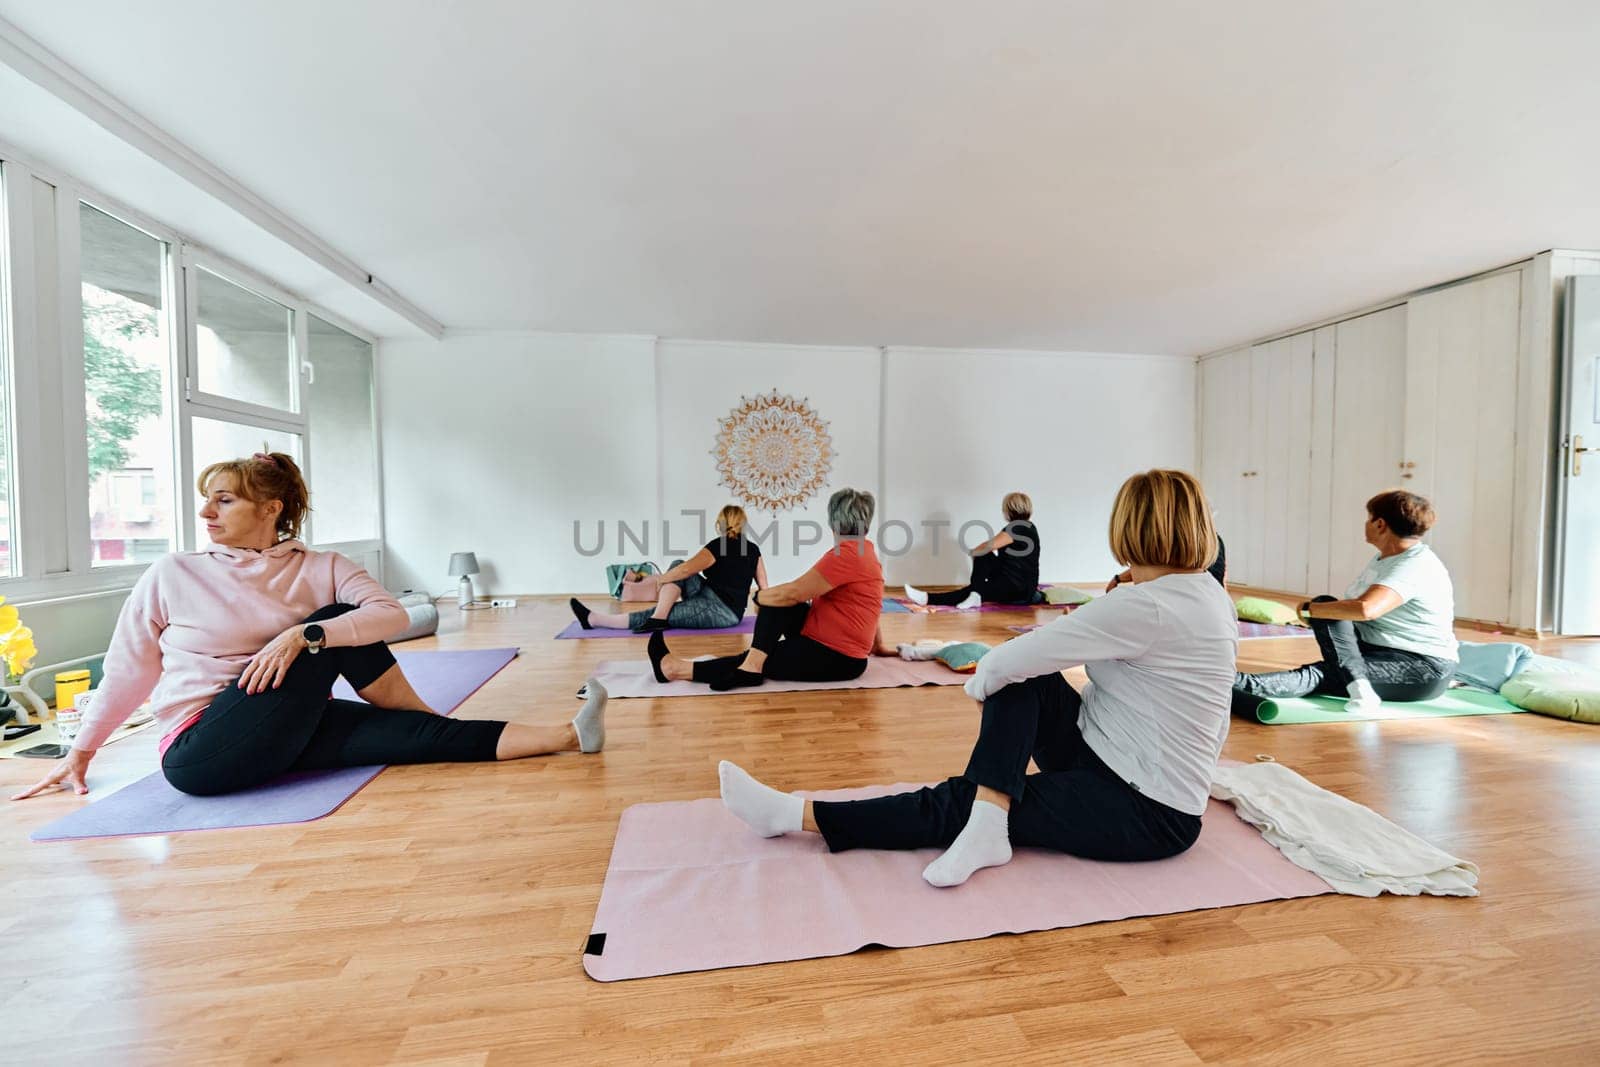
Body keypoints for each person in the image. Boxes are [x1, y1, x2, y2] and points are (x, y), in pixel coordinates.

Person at [718, 469, 1237, 887]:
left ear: (1128, 529)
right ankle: (989, 815)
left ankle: (794, 815)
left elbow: (1002, 663)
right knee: (1019, 684)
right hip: (1116, 757)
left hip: (1146, 809)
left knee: (965, 792)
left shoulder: (1144, 605)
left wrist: (979, 686)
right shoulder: (1207, 596)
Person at [12, 453, 607, 802]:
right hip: (201, 750)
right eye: (207, 501)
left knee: (411, 739)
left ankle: (569, 735)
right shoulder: (174, 573)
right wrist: (82, 751)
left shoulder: (321, 566)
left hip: (283, 727)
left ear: (270, 510)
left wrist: (305, 636)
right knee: (329, 624)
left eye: (222, 501)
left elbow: (393, 615)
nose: (205, 513)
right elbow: (130, 667)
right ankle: (421, 713)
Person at [1232, 490, 1457, 715]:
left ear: (1380, 524)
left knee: (1324, 670)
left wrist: (1307, 610)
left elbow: (1366, 609)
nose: (1366, 524)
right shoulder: (1386, 558)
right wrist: (1315, 610)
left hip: (1421, 669)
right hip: (1375, 650)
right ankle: (1356, 682)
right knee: (1326, 607)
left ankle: (1237, 684)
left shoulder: (1416, 565)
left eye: (1368, 518)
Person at [648, 488, 896, 690]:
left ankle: (675, 669)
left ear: (832, 521)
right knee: (775, 603)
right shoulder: (865, 551)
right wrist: (878, 646)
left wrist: (757, 596)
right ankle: (752, 666)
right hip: (823, 638)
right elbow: (871, 604)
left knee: (772, 621)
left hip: (837, 657)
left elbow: (794, 593)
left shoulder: (845, 555)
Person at [570, 505, 767, 633]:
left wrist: (661, 580)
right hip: (720, 603)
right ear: (743, 525)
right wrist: (762, 612)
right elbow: (764, 588)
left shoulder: (718, 546)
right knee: (678, 564)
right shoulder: (753, 549)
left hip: (721, 612)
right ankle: (659, 617)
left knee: (677, 572)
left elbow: (685, 571)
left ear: (720, 523)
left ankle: (594, 619)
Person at [903, 492, 1041, 609]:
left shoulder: (1018, 527)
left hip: (1017, 590)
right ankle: (932, 597)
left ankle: (931, 597)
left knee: (981, 554)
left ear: (1008, 510)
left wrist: (973, 553)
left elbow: (988, 546)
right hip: (1021, 588)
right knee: (976, 582)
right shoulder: (1028, 527)